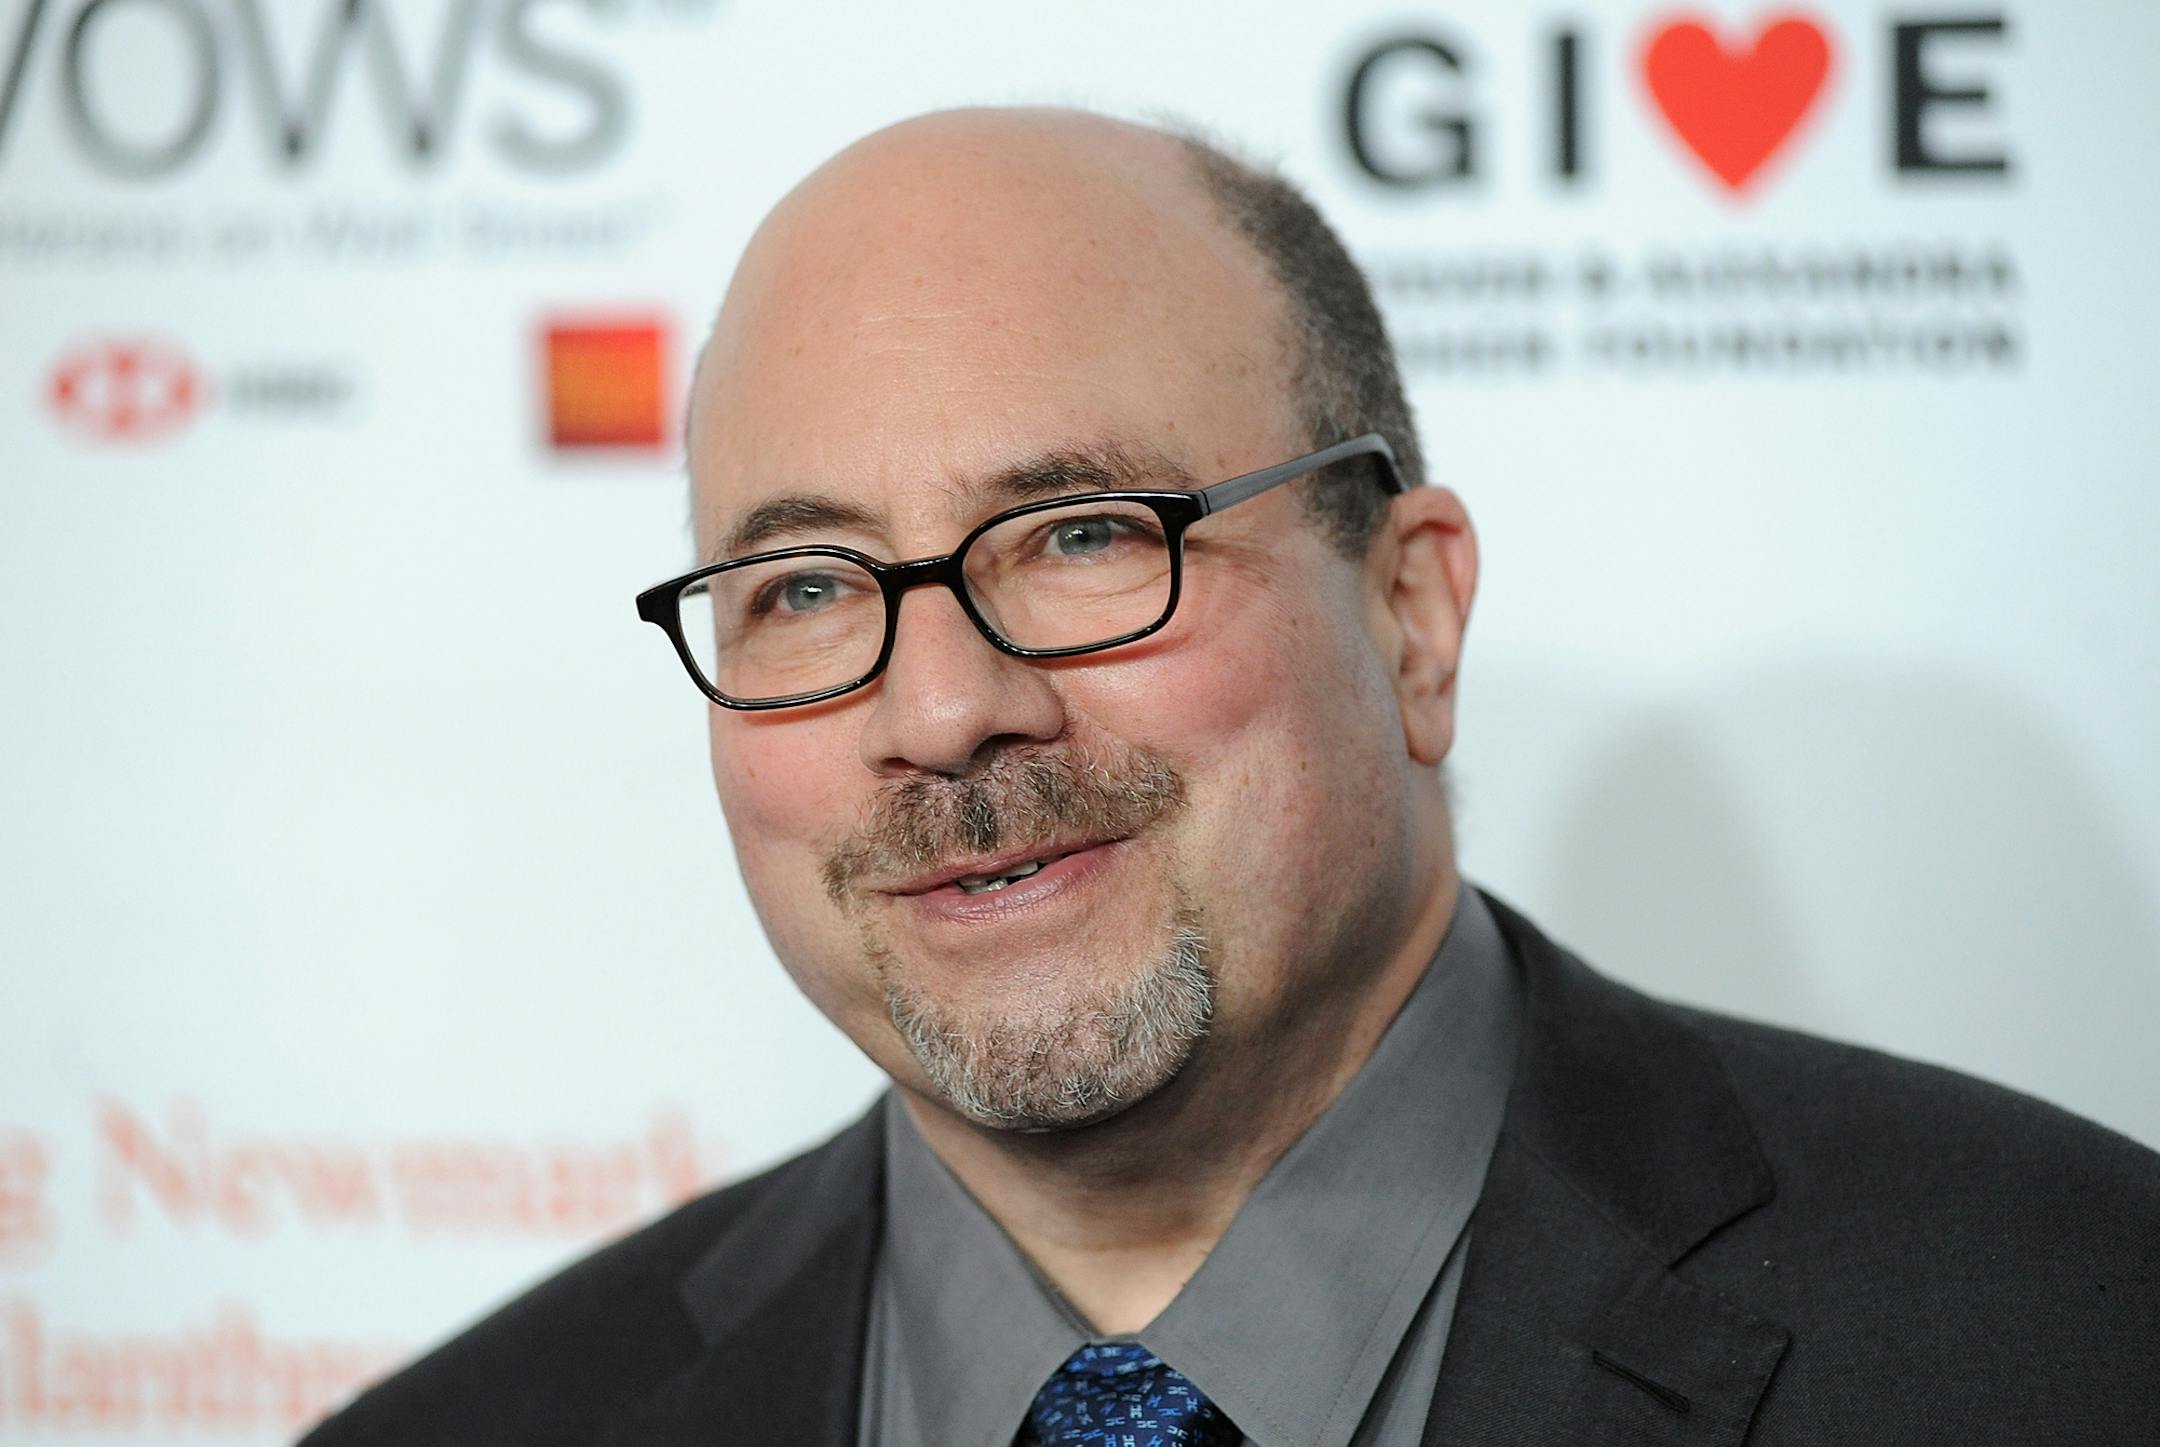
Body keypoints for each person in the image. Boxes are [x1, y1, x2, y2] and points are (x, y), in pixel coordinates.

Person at [301, 107, 2160, 1447]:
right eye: (802, 588)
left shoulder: (2073, 1332)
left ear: (1414, 618)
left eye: (1084, 537)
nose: (944, 710)